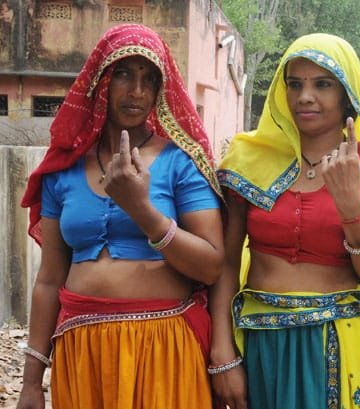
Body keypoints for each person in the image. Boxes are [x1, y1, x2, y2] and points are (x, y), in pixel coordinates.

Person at [17, 24, 224, 409]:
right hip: (82, 350)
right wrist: (32, 382)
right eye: (124, 74)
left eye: (149, 78)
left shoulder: (181, 162)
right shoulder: (64, 167)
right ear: (100, 81)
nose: (137, 92)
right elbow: (49, 281)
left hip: (163, 345)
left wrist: (141, 210)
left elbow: (211, 266)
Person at [210, 33, 360, 409]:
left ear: (346, 93)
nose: (305, 97)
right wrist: (223, 351)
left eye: (323, 84)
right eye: (295, 84)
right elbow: (226, 263)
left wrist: (351, 206)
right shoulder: (248, 160)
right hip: (258, 341)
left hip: (346, 344)